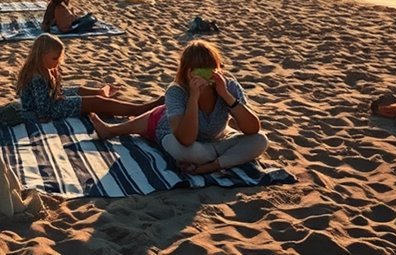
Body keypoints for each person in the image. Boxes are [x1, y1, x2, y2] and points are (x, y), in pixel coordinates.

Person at [89, 40, 268, 175]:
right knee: (175, 140)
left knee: (260, 140)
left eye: (213, 68)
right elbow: (186, 139)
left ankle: (208, 166)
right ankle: (112, 130)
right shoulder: (177, 91)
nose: (209, 74)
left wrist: (227, 96)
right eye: (202, 70)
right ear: (188, 71)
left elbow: (252, 129)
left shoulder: (228, 85)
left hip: (215, 139)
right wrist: (194, 97)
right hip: (180, 136)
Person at [16, 34, 162, 122]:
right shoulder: (36, 75)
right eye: (54, 59)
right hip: (41, 111)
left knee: (80, 90)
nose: (57, 63)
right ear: (41, 55)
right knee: (94, 103)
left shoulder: (46, 68)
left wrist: (58, 86)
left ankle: (100, 93)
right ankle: (139, 110)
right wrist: (64, 101)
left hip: (51, 101)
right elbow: (43, 109)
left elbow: (57, 91)